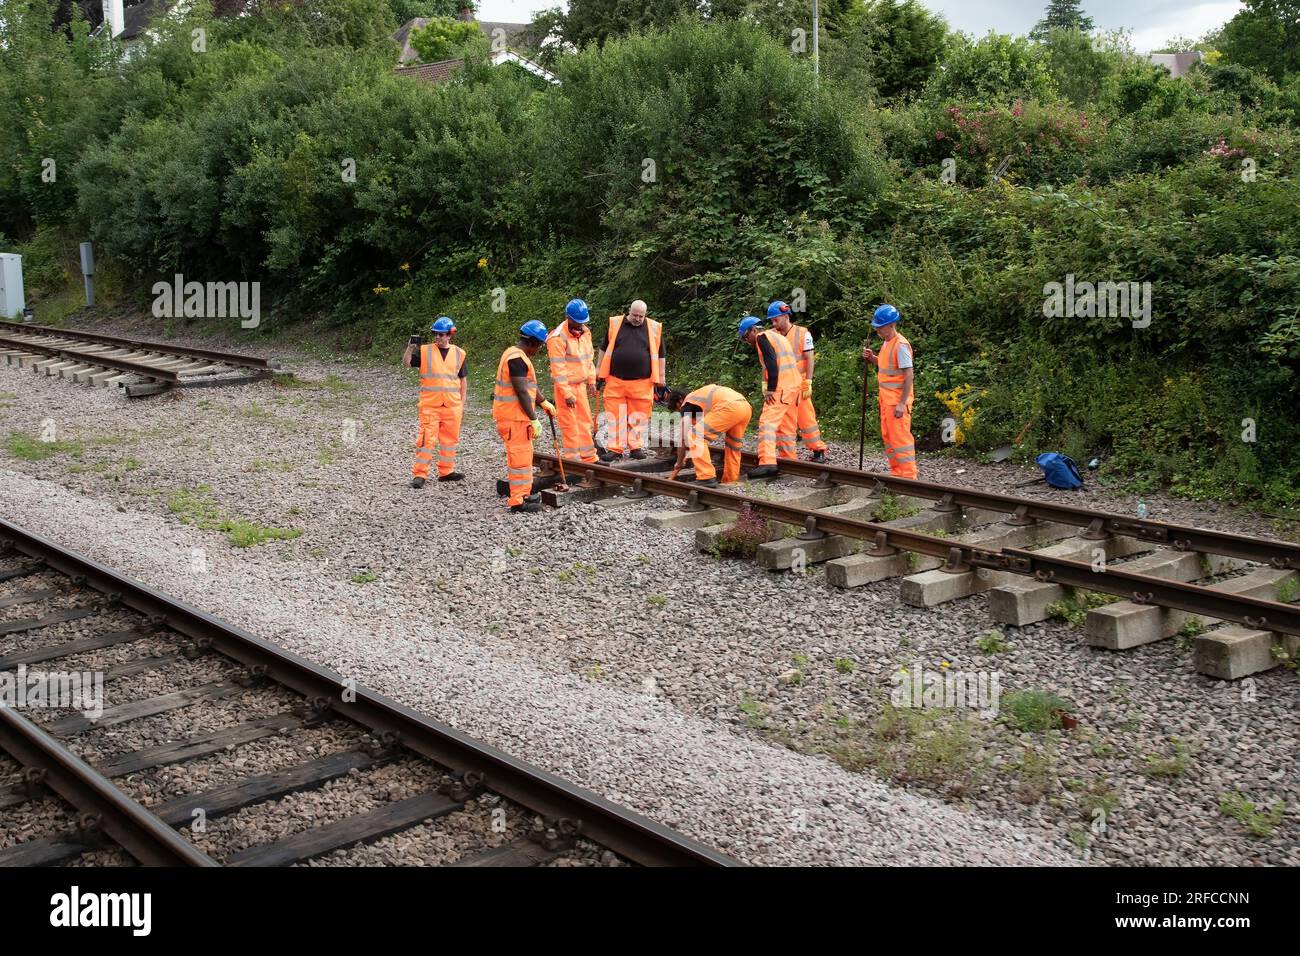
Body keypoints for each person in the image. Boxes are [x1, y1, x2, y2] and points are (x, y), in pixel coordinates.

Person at [493, 321, 556, 513]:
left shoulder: (516, 355)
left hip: (517, 418)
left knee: (524, 456)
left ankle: (525, 493)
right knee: (519, 460)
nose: (539, 349)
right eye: (540, 345)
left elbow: (528, 384)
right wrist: (533, 418)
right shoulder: (517, 359)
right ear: (533, 342)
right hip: (514, 418)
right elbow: (521, 391)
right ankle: (518, 501)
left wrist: (543, 401)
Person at [595, 299, 665, 461]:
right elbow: (604, 348)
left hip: (642, 382)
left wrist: (661, 377)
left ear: (645, 315)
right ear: (629, 311)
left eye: (641, 316)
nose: (638, 318)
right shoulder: (616, 324)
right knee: (615, 416)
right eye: (635, 315)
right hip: (615, 380)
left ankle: (635, 447)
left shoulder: (653, 328)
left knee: (639, 416)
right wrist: (598, 369)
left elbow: (661, 354)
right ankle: (616, 449)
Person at [402, 316, 467, 488]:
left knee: (450, 440)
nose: (437, 337)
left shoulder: (459, 353)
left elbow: (463, 380)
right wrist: (410, 348)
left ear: (449, 335)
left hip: (452, 406)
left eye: (441, 334)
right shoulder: (425, 351)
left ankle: (446, 471)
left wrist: (462, 403)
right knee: (426, 440)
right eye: (435, 334)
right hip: (430, 406)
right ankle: (420, 474)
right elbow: (407, 364)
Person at [739, 314, 801, 478]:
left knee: (767, 424)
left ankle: (767, 463)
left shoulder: (762, 337)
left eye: (746, 338)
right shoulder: (778, 336)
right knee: (786, 427)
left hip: (780, 388)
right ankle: (790, 460)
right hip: (794, 386)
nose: (747, 342)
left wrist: (771, 389)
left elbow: (772, 363)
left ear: (753, 330)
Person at [767, 300, 828, 464]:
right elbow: (767, 362)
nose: (773, 323)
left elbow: (809, 358)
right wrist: (766, 383)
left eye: (776, 319)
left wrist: (808, 381)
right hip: (782, 386)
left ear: (786, 316)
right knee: (784, 422)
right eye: (771, 321)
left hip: (799, 383)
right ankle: (788, 456)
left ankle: (818, 449)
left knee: (806, 418)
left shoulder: (803, 334)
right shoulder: (771, 335)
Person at [862, 304, 917, 478]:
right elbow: (888, 367)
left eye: (880, 326)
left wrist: (902, 403)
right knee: (889, 439)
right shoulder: (887, 343)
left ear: (892, 325)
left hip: (897, 403)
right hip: (886, 401)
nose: (878, 330)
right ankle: (897, 473)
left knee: (900, 440)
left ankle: (908, 476)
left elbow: (908, 375)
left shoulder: (900, 345)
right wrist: (873, 358)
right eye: (876, 327)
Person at [662, 384, 752, 486]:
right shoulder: (699, 399)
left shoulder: (687, 404)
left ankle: (706, 477)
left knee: (694, 436)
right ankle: (730, 480)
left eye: (678, 409)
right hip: (745, 407)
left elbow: (683, 437)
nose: (680, 412)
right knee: (733, 446)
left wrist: (679, 462)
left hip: (729, 407)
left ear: (679, 401)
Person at [546, 299, 599, 465]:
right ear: (568, 317)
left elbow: (589, 358)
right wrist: (566, 393)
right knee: (569, 424)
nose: (581, 325)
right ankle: (573, 460)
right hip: (566, 388)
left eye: (583, 322)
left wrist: (591, 380)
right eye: (578, 322)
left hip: (581, 385)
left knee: (585, 421)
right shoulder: (557, 338)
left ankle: (589, 456)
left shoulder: (585, 332)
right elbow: (558, 369)